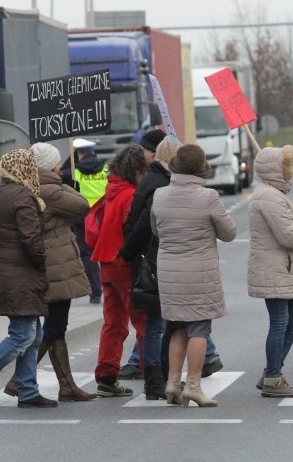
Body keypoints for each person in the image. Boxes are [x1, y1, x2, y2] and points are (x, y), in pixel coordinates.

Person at [0, 149, 56, 408]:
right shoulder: (24, 196)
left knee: (33, 334)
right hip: (21, 272)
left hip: (5, 270)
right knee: (22, 335)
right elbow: (30, 238)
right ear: (26, 169)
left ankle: (27, 390)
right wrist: (42, 258)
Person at [2, 142, 93, 402]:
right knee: (54, 328)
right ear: (49, 165)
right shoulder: (49, 189)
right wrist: (66, 184)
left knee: (57, 328)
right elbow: (82, 205)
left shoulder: (31, 186)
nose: (60, 164)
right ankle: (18, 380)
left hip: (52, 265)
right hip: (56, 266)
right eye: (57, 161)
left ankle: (67, 386)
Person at [151, 144, 236, 407]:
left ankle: (173, 384)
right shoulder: (208, 196)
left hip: (168, 270)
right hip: (199, 272)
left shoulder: (159, 195)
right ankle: (194, 386)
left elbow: (156, 230)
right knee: (199, 328)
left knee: (177, 327)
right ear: (201, 168)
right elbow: (229, 233)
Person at [248, 146, 293, 398]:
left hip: (283, 268)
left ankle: (271, 372)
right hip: (274, 268)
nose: (292, 170)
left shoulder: (275, 193)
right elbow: (287, 235)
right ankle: (273, 378)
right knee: (280, 322)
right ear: (277, 169)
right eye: (288, 165)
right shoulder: (269, 197)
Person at [119, 137, 178, 400]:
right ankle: (156, 380)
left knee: (160, 323)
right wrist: (129, 252)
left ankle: (160, 378)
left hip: (145, 259)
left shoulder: (150, 180)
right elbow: (143, 225)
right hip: (153, 262)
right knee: (157, 324)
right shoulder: (161, 185)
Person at [90, 144, 148, 397]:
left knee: (113, 324)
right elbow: (133, 231)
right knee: (144, 322)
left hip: (105, 264)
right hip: (124, 264)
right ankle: (153, 373)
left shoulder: (111, 191)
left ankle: (106, 376)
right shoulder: (131, 195)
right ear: (135, 169)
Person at [62, 138, 105, 304]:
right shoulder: (106, 168)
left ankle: (95, 292)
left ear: (78, 153)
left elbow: (62, 171)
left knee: (87, 255)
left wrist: (73, 155)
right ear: (93, 151)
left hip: (82, 217)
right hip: (103, 215)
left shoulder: (73, 172)